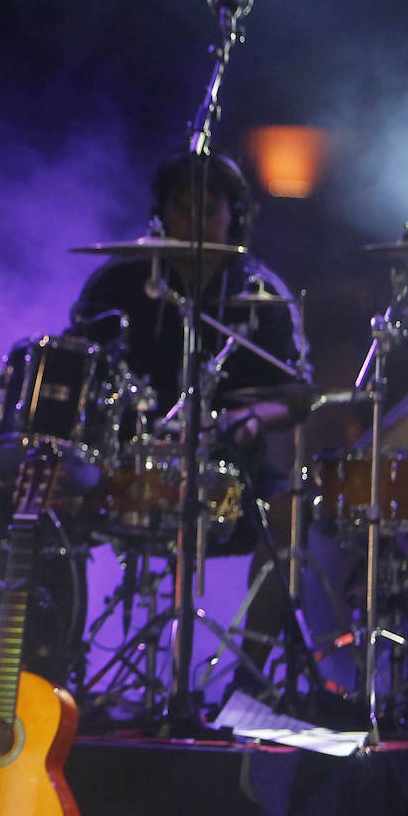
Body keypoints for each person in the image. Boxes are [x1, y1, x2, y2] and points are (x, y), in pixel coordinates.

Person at [71, 149, 312, 701]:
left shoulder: (262, 292)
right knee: (51, 492)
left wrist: (251, 417)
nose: (197, 222)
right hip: (125, 459)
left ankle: (248, 683)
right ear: (163, 214)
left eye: (210, 209)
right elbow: (80, 364)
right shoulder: (118, 282)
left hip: (231, 461)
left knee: (294, 510)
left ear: (235, 215)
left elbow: (299, 395)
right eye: (184, 209)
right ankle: (58, 674)